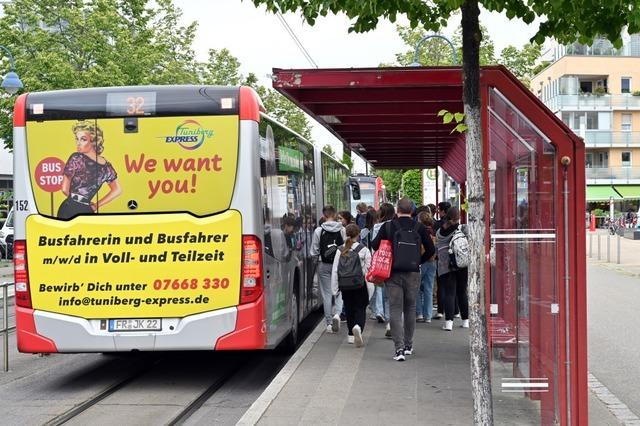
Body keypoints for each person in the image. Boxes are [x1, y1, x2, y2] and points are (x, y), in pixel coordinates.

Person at [371, 198, 435, 361]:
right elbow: (431, 249)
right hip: (413, 273)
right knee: (410, 308)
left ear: (397, 209)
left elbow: (374, 244)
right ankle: (408, 345)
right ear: (412, 211)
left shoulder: (388, 226)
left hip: (392, 272)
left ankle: (398, 349)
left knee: (395, 308)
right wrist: (418, 261)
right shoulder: (419, 227)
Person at [58, 121, 122, 219]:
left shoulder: (76, 158)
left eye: (83, 139)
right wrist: (95, 206)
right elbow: (117, 190)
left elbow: (64, 189)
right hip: (87, 210)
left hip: (69, 207)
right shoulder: (106, 167)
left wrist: (77, 202)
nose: (78, 143)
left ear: (93, 141)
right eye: (77, 139)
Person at [331, 224, 373, 347]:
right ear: (358, 234)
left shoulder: (340, 250)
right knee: (360, 307)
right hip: (360, 284)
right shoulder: (363, 249)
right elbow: (369, 268)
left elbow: (335, 269)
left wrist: (335, 288)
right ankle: (358, 326)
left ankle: (350, 335)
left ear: (346, 234)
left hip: (345, 284)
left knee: (349, 308)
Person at [311, 205, 346, 333]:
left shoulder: (318, 231)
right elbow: (345, 247)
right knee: (339, 291)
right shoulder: (342, 229)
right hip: (339, 264)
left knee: (326, 294)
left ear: (324, 216)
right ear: (335, 214)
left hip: (323, 264)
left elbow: (314, 251)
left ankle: (329, 324)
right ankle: (337, 314)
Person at [435, 207, 470, 331]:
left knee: (449, 293)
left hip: (446, 266)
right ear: (458, 217)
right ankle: (466, 321)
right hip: (461, 264)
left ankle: (449, 323)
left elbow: (437, 247)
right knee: (462, 292)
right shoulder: (463, 229)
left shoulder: (439, 232)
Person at [371, 203, 395, 329]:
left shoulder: (377, 227)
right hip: (393, 260)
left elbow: (374, 244)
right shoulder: (396, 225)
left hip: (380, 259)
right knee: (392, 292)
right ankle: (390, 319)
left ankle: (380, 312)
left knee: (379, 287)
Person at [416, 210, 436, 323]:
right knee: (429, 288)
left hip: (421, 260)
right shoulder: (433, 231)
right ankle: (428, 316)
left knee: (417, 288)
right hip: (432, 261)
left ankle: (419, 313)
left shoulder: (419, 231)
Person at [432, 201, 451, 319]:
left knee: (441, 284)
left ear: (443, 211)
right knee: (451, 285)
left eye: (439, 209)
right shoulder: (455, 224)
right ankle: (454, 311)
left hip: (440, 256)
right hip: (452, 257)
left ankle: (440, 310)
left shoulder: (438, 225)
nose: (438, 211)